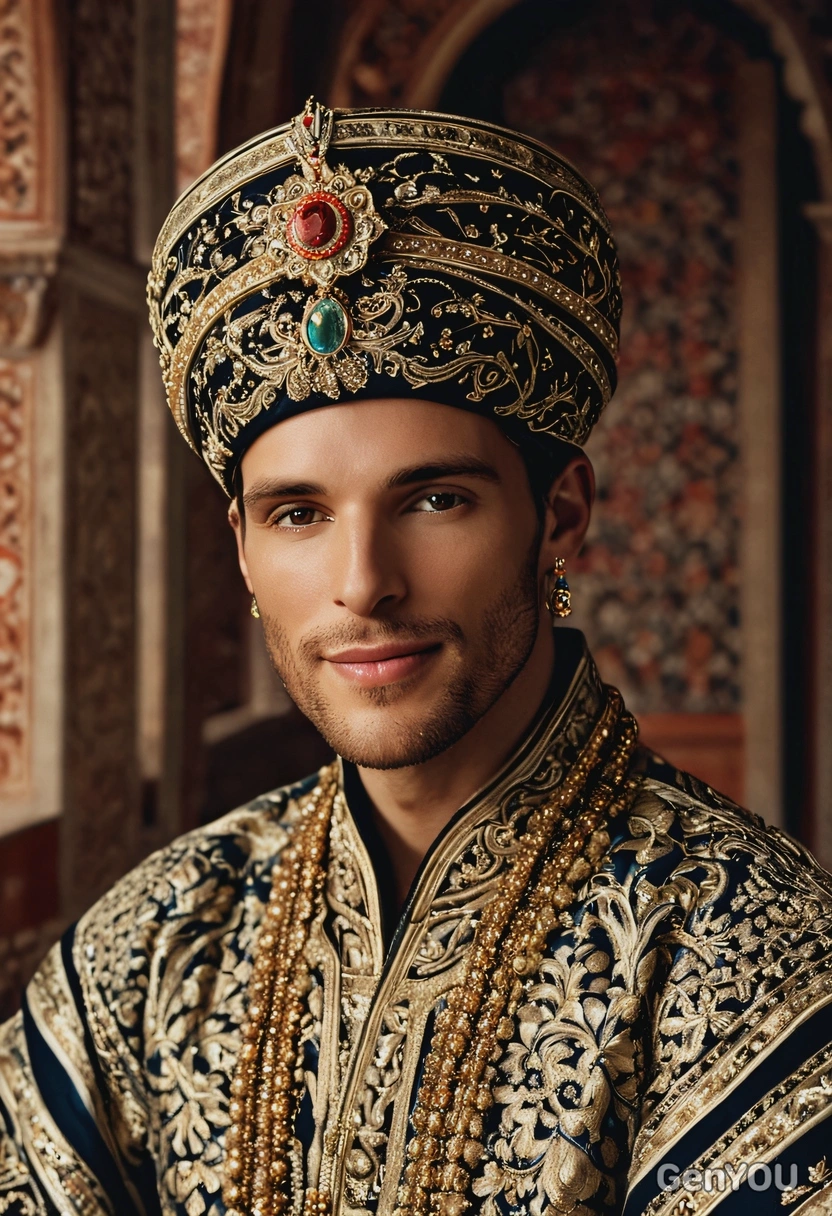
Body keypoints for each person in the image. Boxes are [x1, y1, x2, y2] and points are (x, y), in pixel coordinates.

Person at [2, 99, 832, 1216]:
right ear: (241, 549)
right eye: (298, 514)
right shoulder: (151, 946)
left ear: (561, 516)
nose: (362, 582)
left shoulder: (748, 955)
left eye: (435, 498)